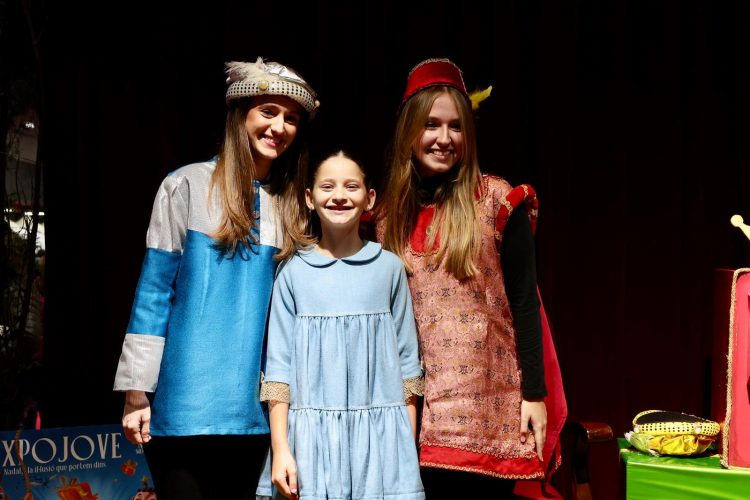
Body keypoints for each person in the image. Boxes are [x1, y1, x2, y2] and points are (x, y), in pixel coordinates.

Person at [113, 57, 319, 499]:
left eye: (291, 118)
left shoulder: (291, 206)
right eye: (268, 112)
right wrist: (136, 390)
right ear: (240, 115)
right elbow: (154, 290)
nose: (279, 126)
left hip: (253, 411)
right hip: (184, 405)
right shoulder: (186, 184)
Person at [375, 58, 563, 497]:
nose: (444, 138)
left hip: (486, 409)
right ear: (409, 131)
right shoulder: (385, 217)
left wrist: (534, 395)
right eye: (431, 125)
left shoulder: (496, 200)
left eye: (455, 127)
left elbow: (525, 303)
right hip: (417, 409)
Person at [256, 151, 425, 499]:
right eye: (327, 186)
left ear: (369, 198)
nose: (339, 196)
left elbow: (408, 368)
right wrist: (281, 449)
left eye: (351, 186)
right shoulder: (292, 272)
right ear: (309, 198)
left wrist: (403, 448)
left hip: (379, 446)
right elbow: (278, 371)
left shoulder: (389, 269)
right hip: (311, 446)